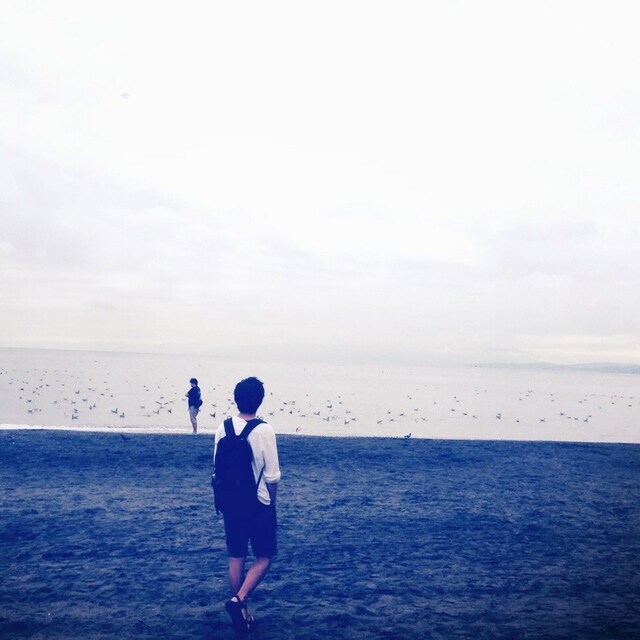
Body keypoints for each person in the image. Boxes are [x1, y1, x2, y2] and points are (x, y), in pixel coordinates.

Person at [213, 377, 281, 637]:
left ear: (236, 398)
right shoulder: (264, 430)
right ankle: (238, 600)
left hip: (230, 502)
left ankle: (241, 612)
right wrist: (272, 503)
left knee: (236, 556)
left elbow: (217, 467)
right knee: (264, 555)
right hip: (257, 502)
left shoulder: (223, 428)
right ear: (260, 401)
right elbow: (272, 476)